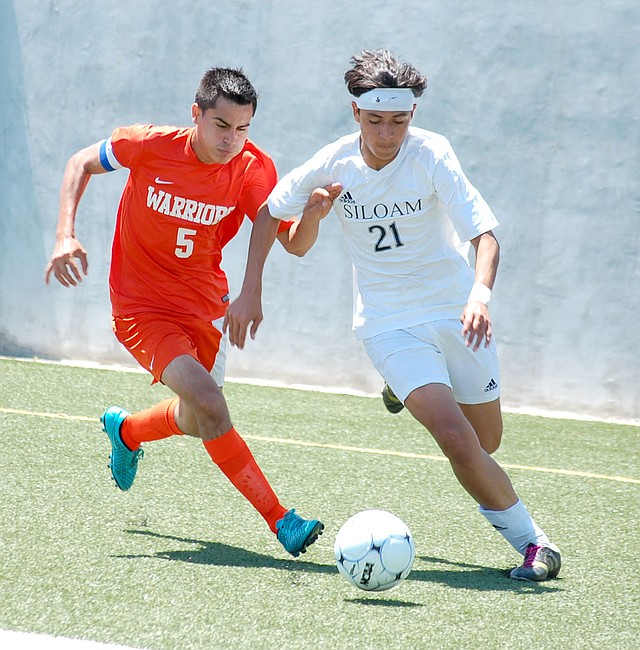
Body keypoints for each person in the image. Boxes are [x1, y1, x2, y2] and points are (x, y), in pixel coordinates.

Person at [224, 50, 561, 581]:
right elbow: (274, 219)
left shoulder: (431, 154)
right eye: (375, 120)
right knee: (455, 439)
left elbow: (484, 236)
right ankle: (533, 544)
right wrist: (253, 288)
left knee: (485, 442)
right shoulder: (333, 162)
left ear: (412, 116)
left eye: (399, 121)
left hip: (456, 312)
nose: (387, 133)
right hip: (387, 322)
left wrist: (479, 296)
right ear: (356, 113)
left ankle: (401, 388)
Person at [44, 66, 323, 558]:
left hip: (205, 307)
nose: (231, 140)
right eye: (221, 126)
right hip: (141, 306)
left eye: (243, 129)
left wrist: (315, 218)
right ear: (196, 114)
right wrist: (65, 234)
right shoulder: (147, 144)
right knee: (212, 405)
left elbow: (294, 244)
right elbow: (79, 163)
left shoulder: (255, 168)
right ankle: (282, 521)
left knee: (198, 419)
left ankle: (127, 430)